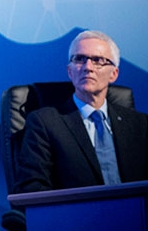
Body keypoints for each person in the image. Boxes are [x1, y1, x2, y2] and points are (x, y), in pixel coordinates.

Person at [14, 30, 148, 193]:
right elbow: (32, 187)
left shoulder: (140, 125)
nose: (88, 67)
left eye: (98, 60)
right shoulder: (45, 123)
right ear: (70, 71)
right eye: (79, 59)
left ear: (114, 74)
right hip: (76, 216)